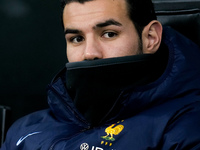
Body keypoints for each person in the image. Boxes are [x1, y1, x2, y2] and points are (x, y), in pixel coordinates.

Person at [1, 0, 200, 149]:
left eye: (109, 34)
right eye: (77, 38)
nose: (89, 53)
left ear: (150, 38)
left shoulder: (184, 125)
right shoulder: (25, 130)